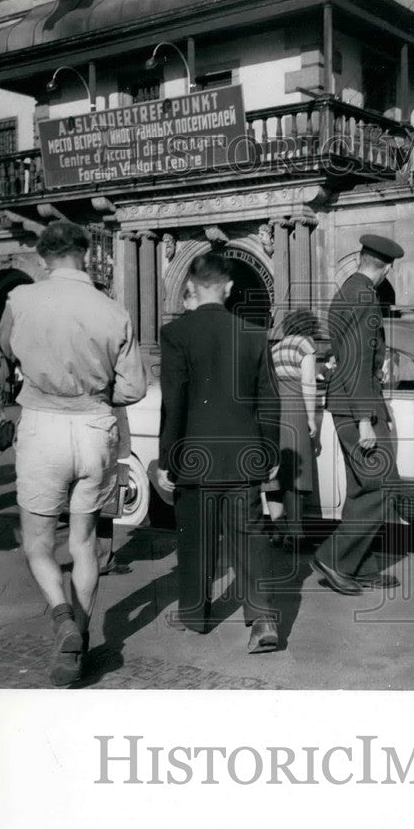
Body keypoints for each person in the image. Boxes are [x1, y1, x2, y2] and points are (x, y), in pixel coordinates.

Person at [0, 220, 146, 687]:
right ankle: (77, 643)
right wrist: (98, 394)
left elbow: (5, 346)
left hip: (42, 424)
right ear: (85, 254)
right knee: (84, 544)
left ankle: (61, 616)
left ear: (43, 258)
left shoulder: (20, 299)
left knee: (38, 543)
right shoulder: (113, 310)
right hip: (94, 427)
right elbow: (134, 387)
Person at [157, 252, 281, 653]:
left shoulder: (176, 334)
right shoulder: (253, 333)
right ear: (228, 288)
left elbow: (173, 403)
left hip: (194, 457)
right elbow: (269, 401)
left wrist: (167, 459)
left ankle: (196, 615)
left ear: (191, 286)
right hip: (243, 456)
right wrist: (269, 453)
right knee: (249, 538)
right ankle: (262, 620)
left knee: (195, 538)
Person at [311, 234, 404, 595]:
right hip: (356, 406)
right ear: (386, 267)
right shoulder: (364, 296)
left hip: (350, 402)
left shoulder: (351, 290)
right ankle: (335, 558)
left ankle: (359, 566)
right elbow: (356, 361)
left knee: (360, 487)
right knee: (381, 482)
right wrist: (365, 418)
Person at [264, 309, 320, 548]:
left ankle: (278, 531)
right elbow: (308, 381)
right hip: (295, 405)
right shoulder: (305, 344)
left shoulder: (275, 347)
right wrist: (311, 418)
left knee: (275, 474)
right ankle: (295, 534)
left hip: (273, 409)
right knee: (296, 473)